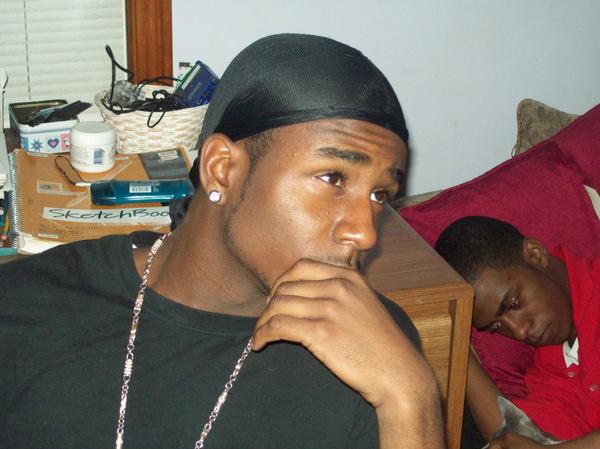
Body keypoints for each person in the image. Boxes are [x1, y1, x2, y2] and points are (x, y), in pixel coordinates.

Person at [0, 34, 444, 449]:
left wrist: (411, 398)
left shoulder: (377, 347)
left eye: (379, 195)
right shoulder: (28, 308)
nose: (365, 232)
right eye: (332, 178)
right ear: (221, 169)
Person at [435, 215, 600, 449]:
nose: (520, 331)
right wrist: (457, 343)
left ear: (535, 254)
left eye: (513, 303)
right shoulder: (551, 366)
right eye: (497, 327)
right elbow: (517, 436)